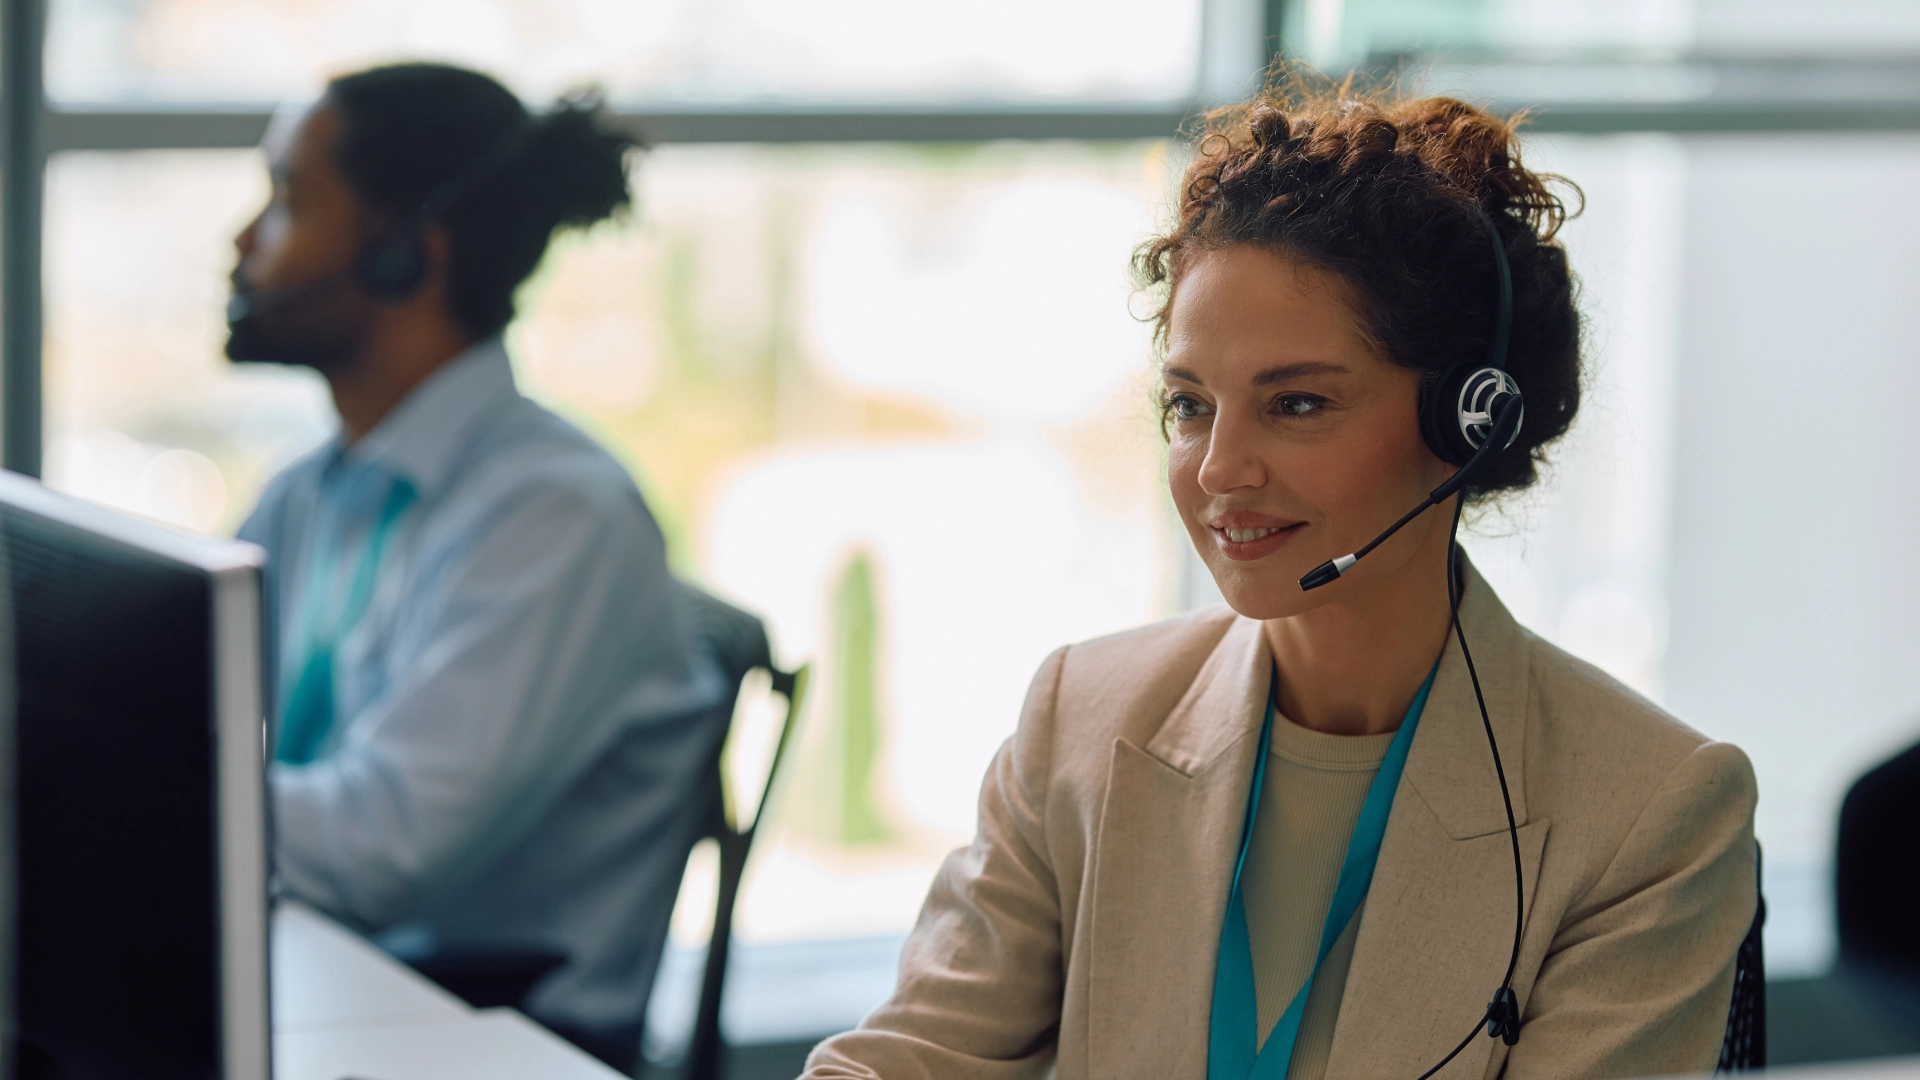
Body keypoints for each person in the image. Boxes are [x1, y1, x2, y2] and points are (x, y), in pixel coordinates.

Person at [802, 78, 1758, 1080]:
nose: (1220, 470)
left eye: (1296, 404)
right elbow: (911, 1053)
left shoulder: (1649, 810)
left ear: (1468, 425)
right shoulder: (1080, 721)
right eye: (1189, 405)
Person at [229, 63, 725, 1067]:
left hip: (486, 1040)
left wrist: (147, 800)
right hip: (339, 1000)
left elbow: (382, 848)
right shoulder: (311, 493)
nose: (245, 243)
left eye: (288, 201)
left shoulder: (557, 516)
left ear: (407, 254)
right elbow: (207, 721)